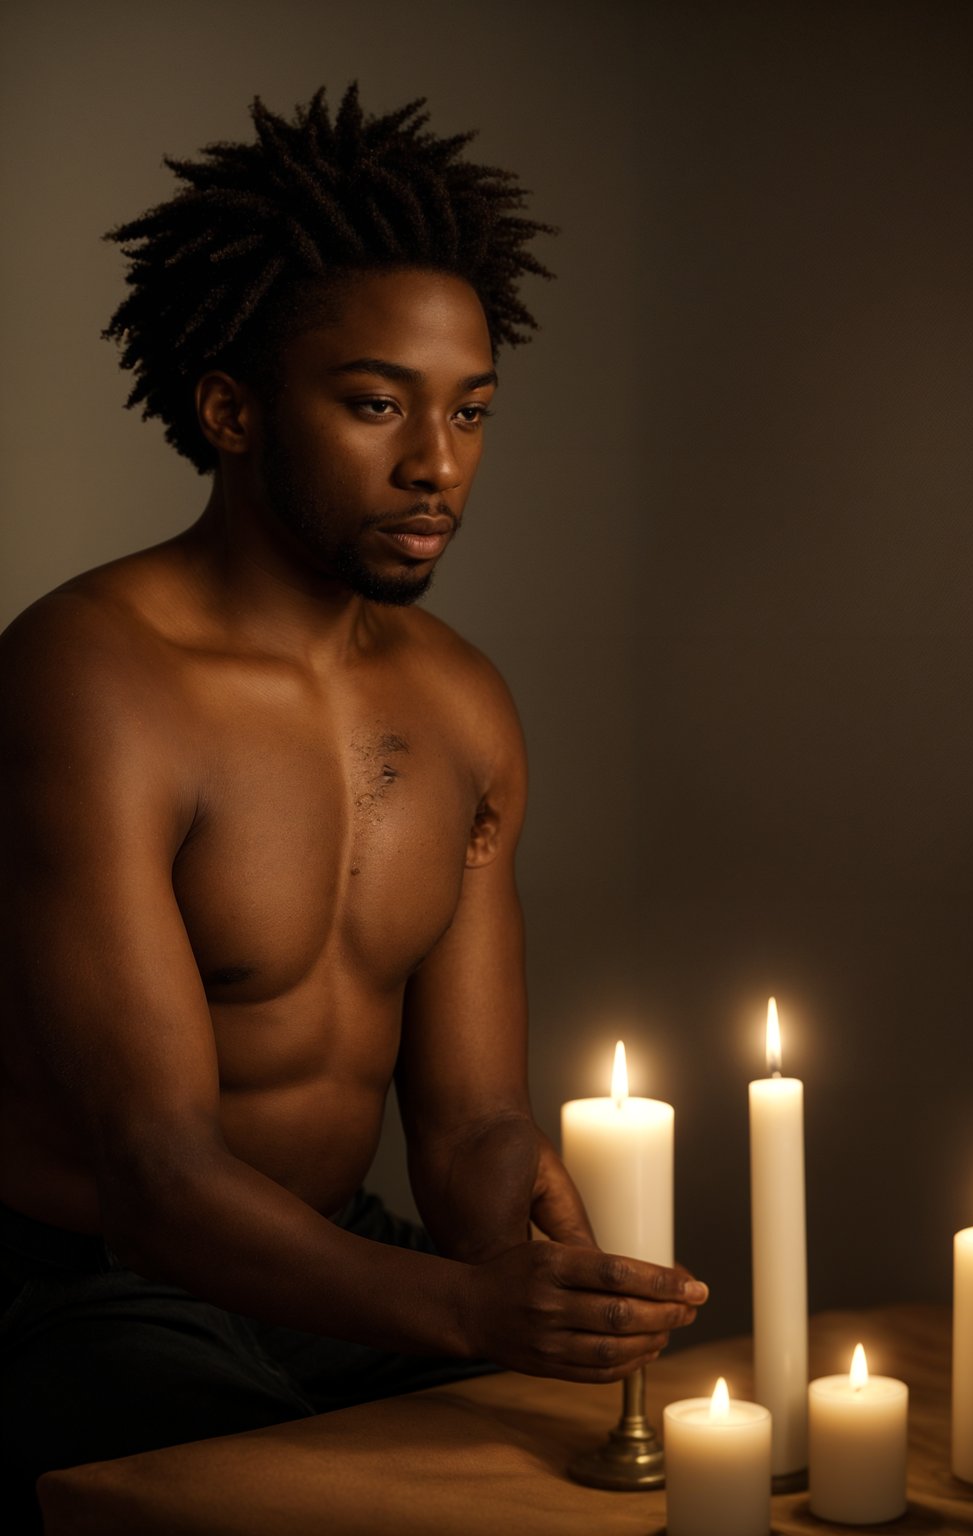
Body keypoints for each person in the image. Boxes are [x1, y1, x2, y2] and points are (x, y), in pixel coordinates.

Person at [0, 85, 707, 1529]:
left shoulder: (462, 705)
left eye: (471, 411)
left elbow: (467, 1121)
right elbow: (154, 1171)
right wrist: (463, 1312)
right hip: (89, 1285)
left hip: (342, 1260)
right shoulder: (90, 678)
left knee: (606, 1481)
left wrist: (531, 1241)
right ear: (232, 411)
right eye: (376, 403)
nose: (437, 463)